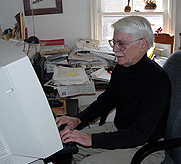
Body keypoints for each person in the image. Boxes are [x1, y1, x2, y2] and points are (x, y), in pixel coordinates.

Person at [56, 16, 171, 164]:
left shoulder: (157, 81)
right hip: (121, 132)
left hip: (145, 146)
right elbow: (107, 100)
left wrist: (90, 139)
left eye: (122, 44)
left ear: (143, 45)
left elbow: (139, 134)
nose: (115, 49)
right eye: (114, 42)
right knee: (64, 146)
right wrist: (79, 119)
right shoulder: (122, 68)